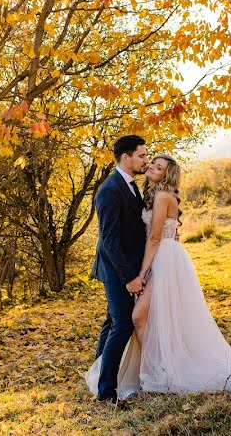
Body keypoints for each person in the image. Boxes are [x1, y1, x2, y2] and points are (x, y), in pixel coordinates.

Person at [86, 153, 231, 400]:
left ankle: (158, 371)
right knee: (142, 317)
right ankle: (149, 368)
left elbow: (156, 237)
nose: (151, 166)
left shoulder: (163, 196)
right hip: (156, 257)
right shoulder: (149, 194)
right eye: (150, 162)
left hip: (163, 259)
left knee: (138, 316)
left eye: (157, 166)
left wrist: (141, 274)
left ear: (167, 174)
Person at [89, 135, 149, 406]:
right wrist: (128, 279)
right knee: (122, 323)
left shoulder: (130, 185)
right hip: (116, 270)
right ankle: (105, 392)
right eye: (142, 156)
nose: (145, 161)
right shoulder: (110, 190)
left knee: (112, 322)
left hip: (125, 267)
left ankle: (96, 375)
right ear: (126, 158)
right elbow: (110, 240)